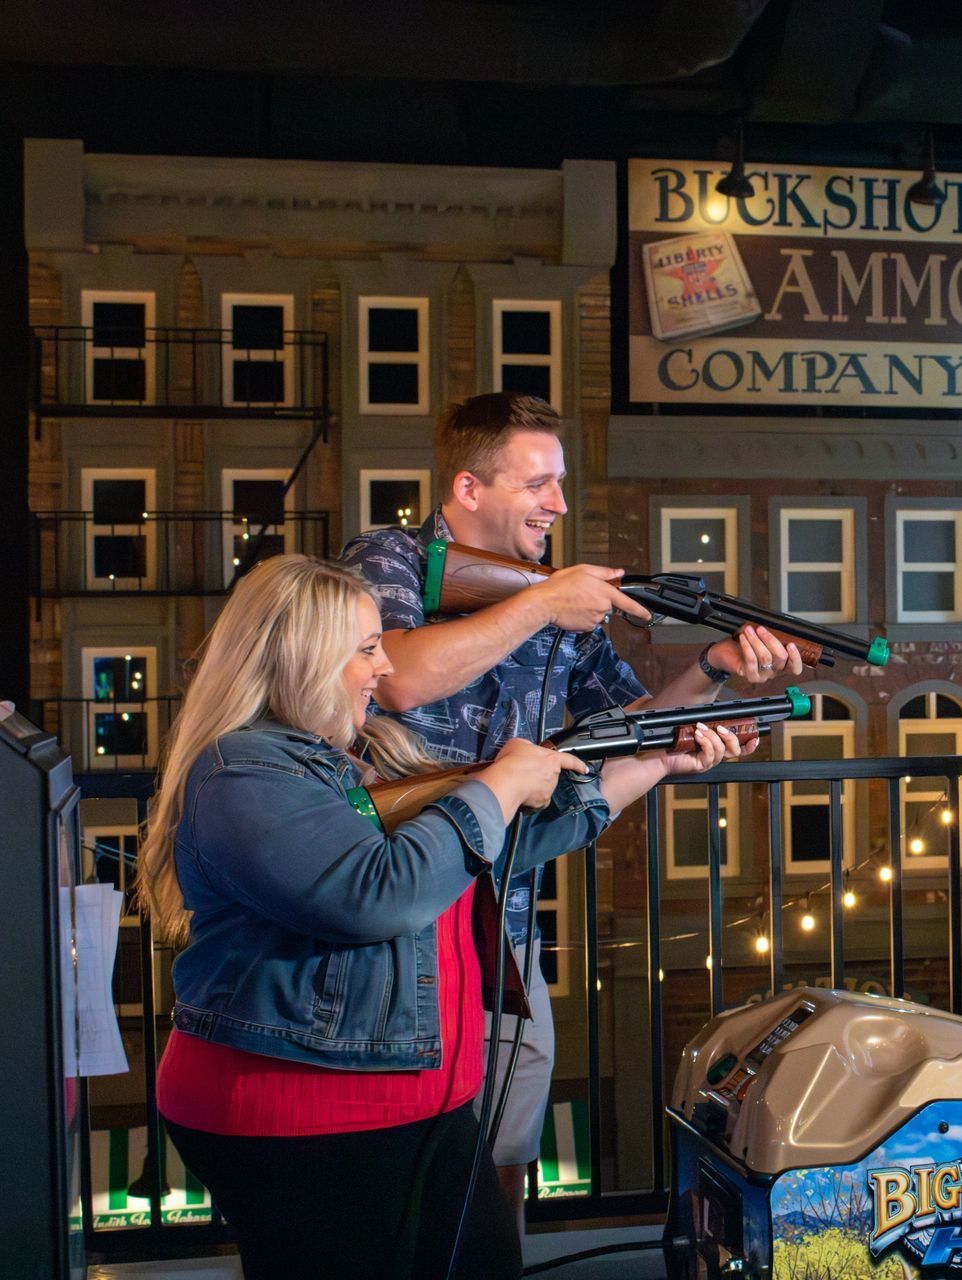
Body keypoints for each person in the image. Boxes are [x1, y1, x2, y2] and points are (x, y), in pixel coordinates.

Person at [138, 555, 740, 1277]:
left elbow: (507, 840)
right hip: (304, 1113)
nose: (381, 665)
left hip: (412, 1103)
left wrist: (658, 765)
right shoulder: (243, 771)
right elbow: (376, 893)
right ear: (301, 660)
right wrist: (496, 784)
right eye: (363, 650)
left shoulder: (353, 758)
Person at [340, 391, 804, 1230]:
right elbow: (398, 677)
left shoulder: (563, 602)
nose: (559, 504)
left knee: (507, 1157)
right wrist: (541, 604)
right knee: (405, 1172)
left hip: (505, 921)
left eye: (560, 484)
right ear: (468, 489)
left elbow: (621, 733)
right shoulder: (390, 558)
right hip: (393, 921)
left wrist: (713, 670)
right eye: (538, 484)